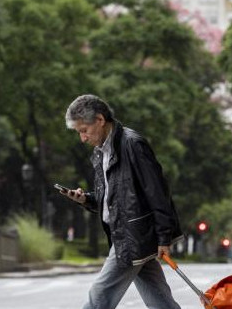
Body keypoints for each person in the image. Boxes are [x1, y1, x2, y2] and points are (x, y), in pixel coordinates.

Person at [59, 94, 184, 309]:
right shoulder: (101, 153)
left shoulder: (132, 144)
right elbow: (115, 200)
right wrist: (86, 199)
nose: (82, 138)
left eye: (84, 130)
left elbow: (157, 192)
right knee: (159, 299)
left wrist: (164, 237)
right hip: (127, 234)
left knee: (99, 297)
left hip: (132, 237)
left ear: (99, 120)